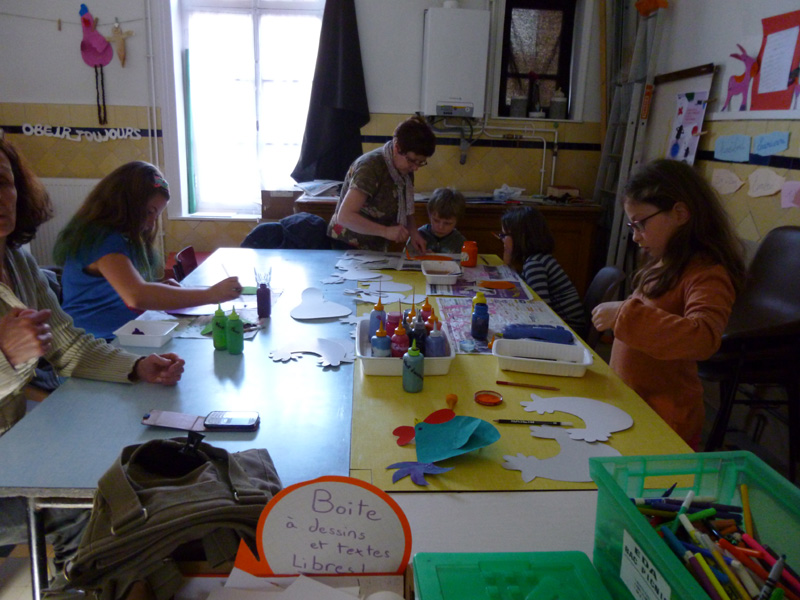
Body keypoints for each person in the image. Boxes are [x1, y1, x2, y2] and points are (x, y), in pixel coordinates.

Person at [0, 138, 185, 554]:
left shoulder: (18, 262)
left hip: (14, 447)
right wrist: (6, 356)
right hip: (11, 465)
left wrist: (136, 366)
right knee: (87, 504)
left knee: (134, 468)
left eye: (3, 182)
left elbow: (68, 346)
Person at [591, 159, 746, 448]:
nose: (635, 236)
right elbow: (653, 314)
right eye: (632, 226)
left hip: (666, 420)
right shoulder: (664, 261)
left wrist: (624, 314)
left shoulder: (707, 272)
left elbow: (704, 337)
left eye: (641, 224)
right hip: (635, 409)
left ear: (680, 213)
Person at [54, 162, 242, 340]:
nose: (152, 223)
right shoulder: (101, 239)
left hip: (121, 334)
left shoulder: (119, 237)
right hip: (91, 343)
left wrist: (159, 288)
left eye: (156, 214)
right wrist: (210, 294)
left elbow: (122, 288)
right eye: (149, 212)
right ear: (125, 204)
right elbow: (137, 297)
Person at [327, 115, 436, 253]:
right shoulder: (370, 167)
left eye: (421, 162)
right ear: (397, 147)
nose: (415, 168)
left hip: (375, 246)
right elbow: (345, 216)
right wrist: (385, 231)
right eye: (412, 160)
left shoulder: (405, 168)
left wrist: (414, 233)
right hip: (347, 244)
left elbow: (406, 207)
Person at [500, 206, 586, 333]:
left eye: (504, 235)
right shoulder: (539, 258)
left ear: (520, 237)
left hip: (568, 329)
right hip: (563, 324)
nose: (501, 239)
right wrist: (508, 260)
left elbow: (541, 311)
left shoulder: (534, 264)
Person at [416, 187, 467, 254]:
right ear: (429, 215)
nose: (440, 227)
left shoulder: (460, 242)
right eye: (436, 220)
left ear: (457, 221)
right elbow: (406, 257)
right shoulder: (419, 235)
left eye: (447, 223)